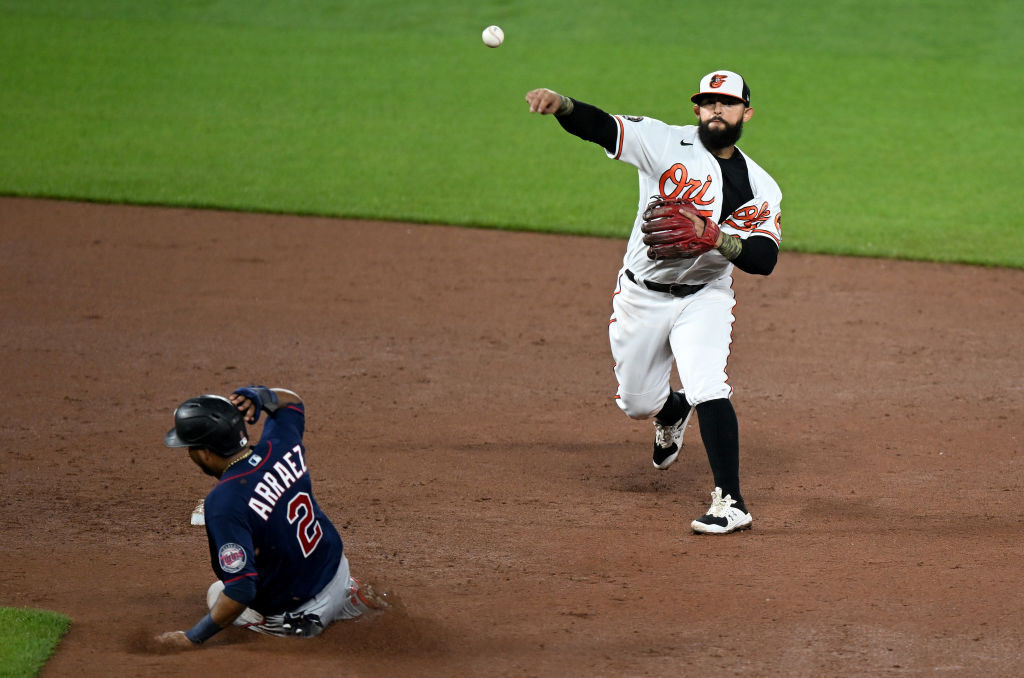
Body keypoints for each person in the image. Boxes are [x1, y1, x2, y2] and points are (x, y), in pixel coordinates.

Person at [525, 70, 782, 535]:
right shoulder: (664, 142)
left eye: (726, 103)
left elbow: (764, 259)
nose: (716, 111)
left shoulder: (760, 185)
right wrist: (562, 104)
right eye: (708, 103)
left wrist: (718, 240)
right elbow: (602, 126)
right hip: (640, 297)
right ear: (696, 110)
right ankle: (669, 410)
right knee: (636, 405)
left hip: (704, 298)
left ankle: (731, 502)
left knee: (708, 384)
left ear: (746, 112)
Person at [155, 386, 387, 648]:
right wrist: (261, 395)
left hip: (301, 613)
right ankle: (351, 601)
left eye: (190, 448)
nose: (188, 454)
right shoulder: (279, 444)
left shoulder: (224, 502)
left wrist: (192, 638)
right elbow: (292, 403)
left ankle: (308, 623)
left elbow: (241, 590)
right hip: (338, 571)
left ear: (206, 452)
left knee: (218, 593)